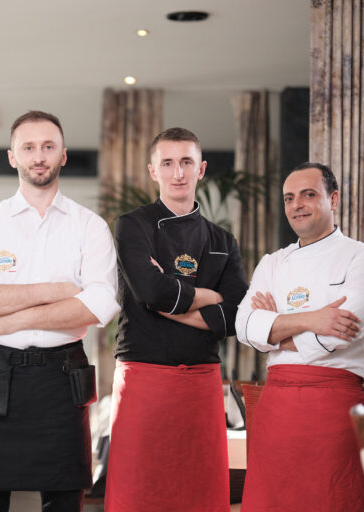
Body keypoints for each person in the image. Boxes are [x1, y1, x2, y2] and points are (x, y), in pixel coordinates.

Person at [0, 110, 120, 512]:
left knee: (64, 501)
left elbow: (101, 304)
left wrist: (17, 316)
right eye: (28, 147)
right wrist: (59, 291)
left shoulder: (89, 226)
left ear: (64, 154)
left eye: (48, 146)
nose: (39, 156)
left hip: (62, 378)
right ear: (13, 157)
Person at [105, 127, 247, 512]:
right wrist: (209, 296)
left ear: (201, 169)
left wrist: (169, 297)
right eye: (167, 163)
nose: (178, 172)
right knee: (137, 496)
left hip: (201, 383)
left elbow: (235, 316)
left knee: (200, 496)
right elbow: (150, 292)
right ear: (153, 171)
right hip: (142, 380)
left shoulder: (222, 242)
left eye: (186, 162)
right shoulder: (133, 225)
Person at [236, 162, 364, 511]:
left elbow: (338, 336)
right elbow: (244, 327)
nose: (297, 204)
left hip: (333, 408)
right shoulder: (273, 262)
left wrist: (276, 327)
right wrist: (314, 318)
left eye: (308, 195)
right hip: (275, 409)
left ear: (333, 199)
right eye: (289, 198)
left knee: (333, 499)